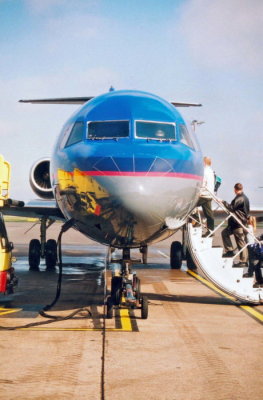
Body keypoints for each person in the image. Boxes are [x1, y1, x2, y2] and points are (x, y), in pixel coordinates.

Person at [221, 183, 250, 266]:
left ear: (235, 189)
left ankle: (243, 261)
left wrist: (223, 202)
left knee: (240, 242)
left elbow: (231, 207)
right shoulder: (243, 197)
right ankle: (230, 251)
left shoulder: (240, 198)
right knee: (225, 233)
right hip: (235, 223)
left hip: (238, 223)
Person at [194, 156, 215, 237]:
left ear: (204, 162)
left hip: (204, 195)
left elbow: (202, 184)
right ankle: (211, 231)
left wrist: (198, 192)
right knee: (209, 215)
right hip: (209, 195)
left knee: (191, 205)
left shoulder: (204, 171)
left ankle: (197, 220)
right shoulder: (211, 171)